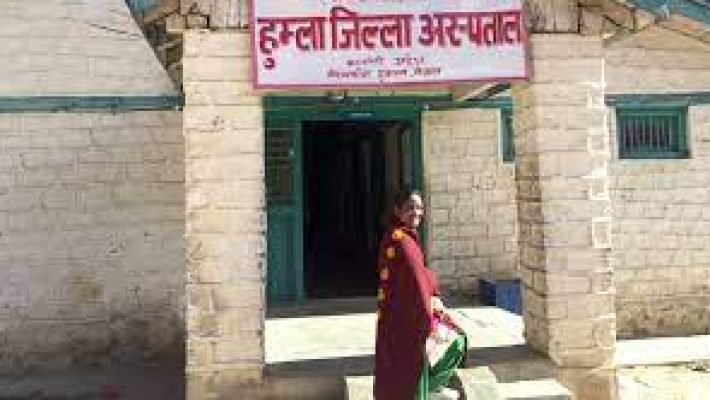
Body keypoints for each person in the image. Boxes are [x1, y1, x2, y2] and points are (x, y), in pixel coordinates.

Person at [374, 188, 467, 400]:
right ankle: (432, 390)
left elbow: (420, 274)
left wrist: (433, 293)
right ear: (398, 210)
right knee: (456, 341)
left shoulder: (396, 236)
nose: (416, 212)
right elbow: (416, 284)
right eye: (410, 208)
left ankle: (430, 391)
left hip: (395, 320)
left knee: (400, 372)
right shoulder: (402, 242)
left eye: (419, 208)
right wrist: (429, 322)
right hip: (409, 321)